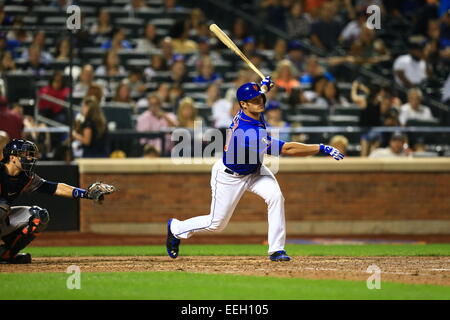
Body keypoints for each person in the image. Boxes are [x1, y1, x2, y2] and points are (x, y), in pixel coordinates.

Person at [166, 77, 344, 262]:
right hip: (230, 176)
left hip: (254, 170)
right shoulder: (247, 132)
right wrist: (321, 147)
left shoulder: (250, 110)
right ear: (243, 104)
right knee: (216, 224)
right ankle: (176, 228)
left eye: (260, 98)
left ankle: (276, 250)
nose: (260, 102)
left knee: (276, 197)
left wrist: (263, 87)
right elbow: (287, 149)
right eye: (254, 100)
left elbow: (258, 96)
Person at [0, 139, 116, 264]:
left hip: (3, 217)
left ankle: (6, 255)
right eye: (26, 154)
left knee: (38, 216)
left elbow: (55, 188)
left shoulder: (26, 177)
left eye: (31, 155)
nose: (30, 158)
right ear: (12, 157)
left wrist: (86, 194)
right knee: (2, 206)